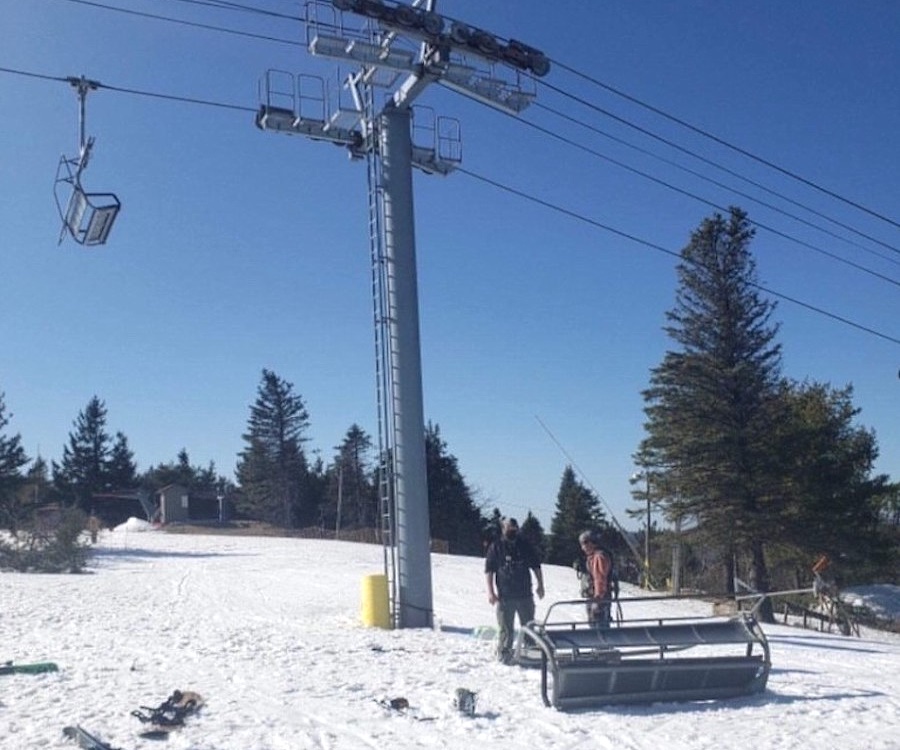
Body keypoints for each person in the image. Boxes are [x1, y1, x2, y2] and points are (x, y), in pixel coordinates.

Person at [484, 517, 545, 664]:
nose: (512, 530)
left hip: (525, 594)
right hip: (505, 596)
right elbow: (489, 570)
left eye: (514, 527)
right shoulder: (496, 547)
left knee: (529, 627)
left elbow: (536, 566)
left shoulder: (524, 545)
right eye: (509, 527)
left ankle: (530, 653)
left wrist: (540, 585)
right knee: (506, 628)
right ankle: (505, 654)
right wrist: (491, 592)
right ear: (503, 528)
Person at [578, 530, 613, 628]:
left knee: (598, 629)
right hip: (599, 598)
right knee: (599, 627)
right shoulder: (596, 556)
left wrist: (597, 600)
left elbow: (599, 578)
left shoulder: (598, 557)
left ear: (590, 543)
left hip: (598, 599)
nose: (582, 548)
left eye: (583, 544)